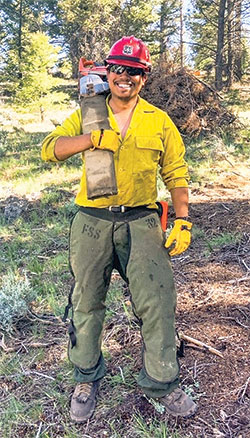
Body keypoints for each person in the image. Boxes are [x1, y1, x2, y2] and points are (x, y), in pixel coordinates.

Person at [41, 35, 197, 423]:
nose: (124, 77)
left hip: (141, 220)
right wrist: (91, 139)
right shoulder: (89, 112)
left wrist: (183, 219)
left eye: (134, 71)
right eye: (118, 69)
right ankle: (86, 377)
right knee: (86, 301)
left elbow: (177, 173)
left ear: (144, 77)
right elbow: (50, 148)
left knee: (157, 301)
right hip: (91, 221)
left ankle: (161, 381)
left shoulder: (158, 120)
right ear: (107, 72)